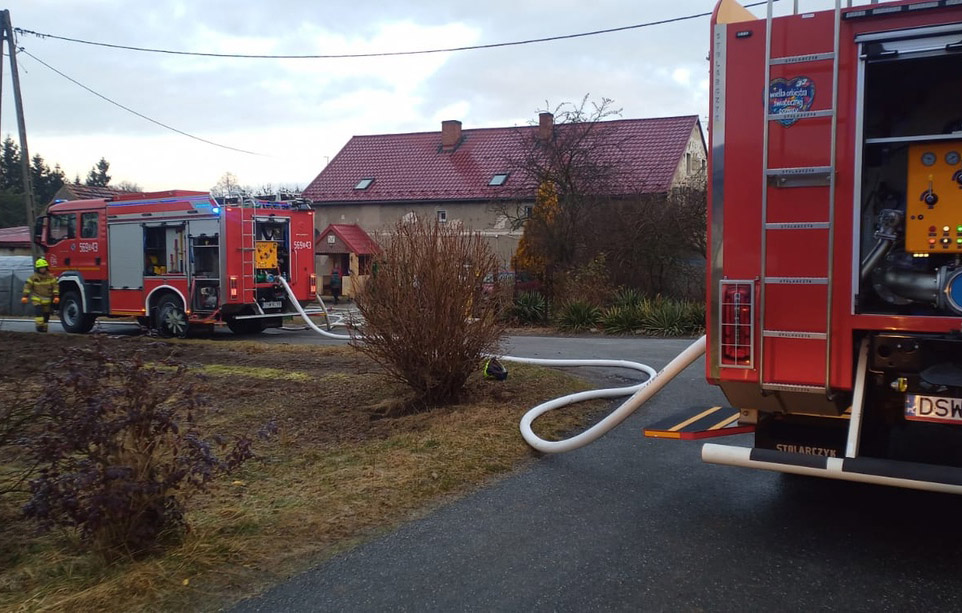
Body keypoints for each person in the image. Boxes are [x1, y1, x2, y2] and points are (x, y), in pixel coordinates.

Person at [22, 258, 59, 333]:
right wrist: (25, 296)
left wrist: (56, 296)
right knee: (38, 311)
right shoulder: (33, 278)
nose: (42, 269)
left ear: (46, 268)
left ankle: (44, 327)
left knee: (46, 314)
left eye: (43, 268)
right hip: (37, 298)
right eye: (41, 268)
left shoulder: (51, 277)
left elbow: (55, 286)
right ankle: (39, 326)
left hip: (47, 299)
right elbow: (27, 286)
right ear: (38, 269)